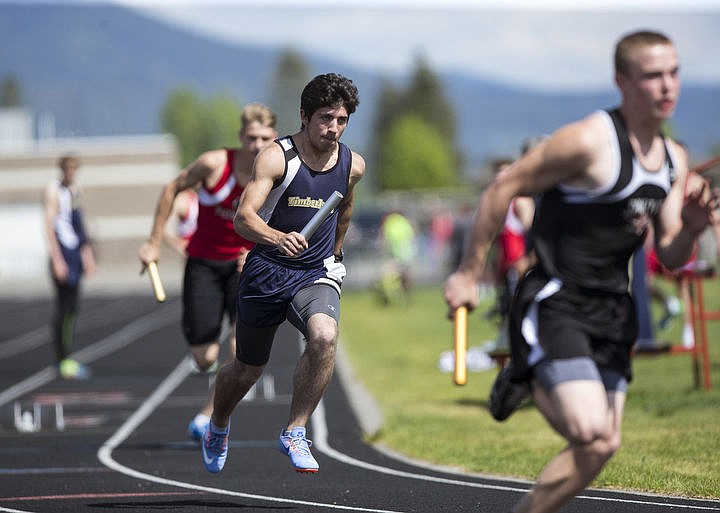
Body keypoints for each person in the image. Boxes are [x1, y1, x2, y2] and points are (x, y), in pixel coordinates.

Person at [443, 31, 718, 513]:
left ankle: (524, 382)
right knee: (592, 435)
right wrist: (468, 272)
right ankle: (527, 372)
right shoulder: (590, 140)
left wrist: (693, 229)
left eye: (673, 73)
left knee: (604, 444)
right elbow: (503, 187)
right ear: (622, 81)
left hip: (615, 311)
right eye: (653, 75)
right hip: (558, 301)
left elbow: (672, 255)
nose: (667, 86)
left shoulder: (674, 159)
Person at [201, 73, 364, 474]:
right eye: (326, 118)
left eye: (342, 120)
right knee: (246, 370)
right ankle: (218, 425)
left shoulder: (352, 165)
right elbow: (243, 219)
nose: (334, 128)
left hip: (313, 274)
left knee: (324, 336)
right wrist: (277, 237)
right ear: (304, 116)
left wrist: (337, 256)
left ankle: (295, 431)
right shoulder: (277, 157)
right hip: (266, 273)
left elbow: (343, 210)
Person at [138, 103, 278, 440]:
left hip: (246, 266)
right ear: (240, 136)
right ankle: (206, 373)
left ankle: (209, 416)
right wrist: (154, 242)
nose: (258, 145)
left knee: (239, 346)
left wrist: (264, 252)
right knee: (205, 357)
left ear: (274, 137)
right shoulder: (214, 164)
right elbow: (172, 188)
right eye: (251, 137)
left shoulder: (280, 169)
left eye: (265, 138)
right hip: (204, 263)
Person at [42, 154, 96, 380]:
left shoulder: (75, 191)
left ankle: (67, 357)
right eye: (68, 169)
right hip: (62, 253)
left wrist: (87, 253)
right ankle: (62, 359)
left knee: (73, 308)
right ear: (62, 169)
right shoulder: (53, 191)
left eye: (75, 169)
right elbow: (49, 225)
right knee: (64, 308)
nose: (71, 173)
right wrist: (57, 259)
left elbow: (79, 225)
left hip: (74, 253)